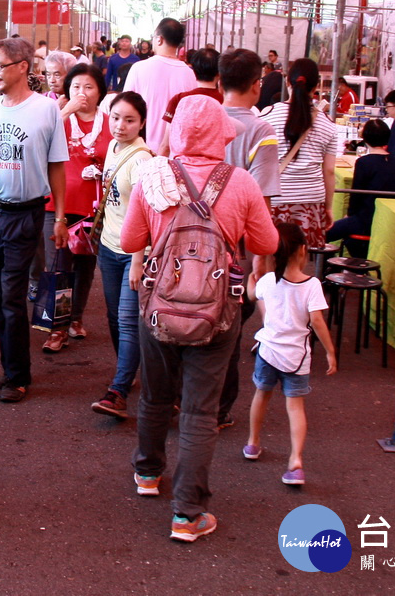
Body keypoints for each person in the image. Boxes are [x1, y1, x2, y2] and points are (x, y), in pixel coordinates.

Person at [123, 94, 278, 543]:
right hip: (217, 311)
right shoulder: (243, 182)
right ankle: (188, 514)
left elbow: (131, 237)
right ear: (220, 133)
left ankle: (148, 473)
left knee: (154, 396)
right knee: (199, 410)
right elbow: (266, 243)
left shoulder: (154, 178)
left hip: (159, 305)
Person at [0, 37, 68, 404]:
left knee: (11, 297)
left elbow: (57, 165)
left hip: (26, 213)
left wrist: (58, 216)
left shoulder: (46, 110)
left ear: (23, 66)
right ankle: (11, 366)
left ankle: (17, 375)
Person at [215, 48, 281, 429]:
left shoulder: (198, 120)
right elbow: (262, 202)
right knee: (227, 333)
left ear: (220, 83)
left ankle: (183, 399)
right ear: (258, 86)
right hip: (234, 250)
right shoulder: (260, 131)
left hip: (188, 244)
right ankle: (219, 409)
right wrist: (261, 261)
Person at [243, 222, 337, 487]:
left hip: (268, 351)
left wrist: (254, 274)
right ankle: (295, 461)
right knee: (295, 406)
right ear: (303, 250)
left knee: (262, 394)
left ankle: (253, 443)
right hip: (297, 357)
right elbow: (317, 321)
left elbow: (251, 295)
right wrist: (330, 352)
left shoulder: (266, 281)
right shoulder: (312, 285)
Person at [41, 63, 113, 353]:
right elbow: (40, 141)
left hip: (93, 207)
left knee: (85, 267)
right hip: (56, 205)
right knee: (58, 266)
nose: (82, 93)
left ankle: (76, 318)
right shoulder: (57, 117)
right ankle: (56, 328)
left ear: (100, 91)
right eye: (76, 87)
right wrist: (67, 110)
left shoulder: (110, 121)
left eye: (88, 87)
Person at [91, 92, 152, 419]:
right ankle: (126, 372)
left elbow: (145, 212)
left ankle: (117, 391)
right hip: (109, 248)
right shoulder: (113, 149)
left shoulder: (142, 159)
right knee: (114, 319)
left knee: (128, 322)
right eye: (115, 118)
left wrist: (139, 260)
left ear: (142, 122)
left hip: (133, 254)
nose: (120, 125)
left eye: (129, 120)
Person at [259, 58, 338, 248]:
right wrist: (328, 207)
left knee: (272, 255)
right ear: (316, 86)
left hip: (275, 199)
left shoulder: (267, 116)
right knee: (298, 257)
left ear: (287, 82)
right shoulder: (328, 124)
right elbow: (329, 172)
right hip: (310, 200)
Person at [326, 119, 395, 256]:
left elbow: (356, 195)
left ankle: (326, 271)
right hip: (388, 219)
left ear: (365, 137)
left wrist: (350, 214)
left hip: (364, 219)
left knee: (323, 235)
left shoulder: (364, 162)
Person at [121, 18, 196, 154]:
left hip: (142, 149)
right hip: (177, 153)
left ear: (159, 39)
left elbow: (124, 108)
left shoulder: (139, 68)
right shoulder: (190, 74)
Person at [159, 47, 222, 152]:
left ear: (193, 69)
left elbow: (166, 145)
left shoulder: (179, 100)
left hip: (182, 164)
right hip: (218, 164)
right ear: (219, 72)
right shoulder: (224, 101)